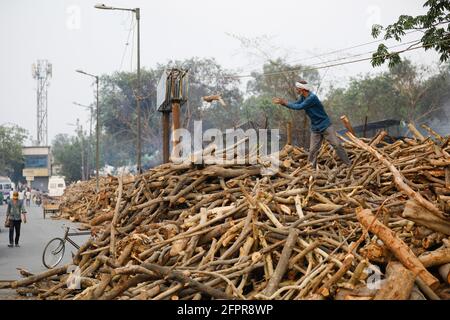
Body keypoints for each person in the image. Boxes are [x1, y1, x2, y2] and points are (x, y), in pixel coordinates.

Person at [272, 81, 351, 168]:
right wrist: (283, 103)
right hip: (315, 128)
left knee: (337, 144)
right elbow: (296, 104)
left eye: (297, 88)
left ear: (302, 89)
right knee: (313, 150)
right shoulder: (303, 97)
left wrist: (284, 102)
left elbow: (299, 107)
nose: (296, 89)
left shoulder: (312, 98)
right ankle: (310, 168)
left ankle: (348, 164)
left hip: (325, 125)